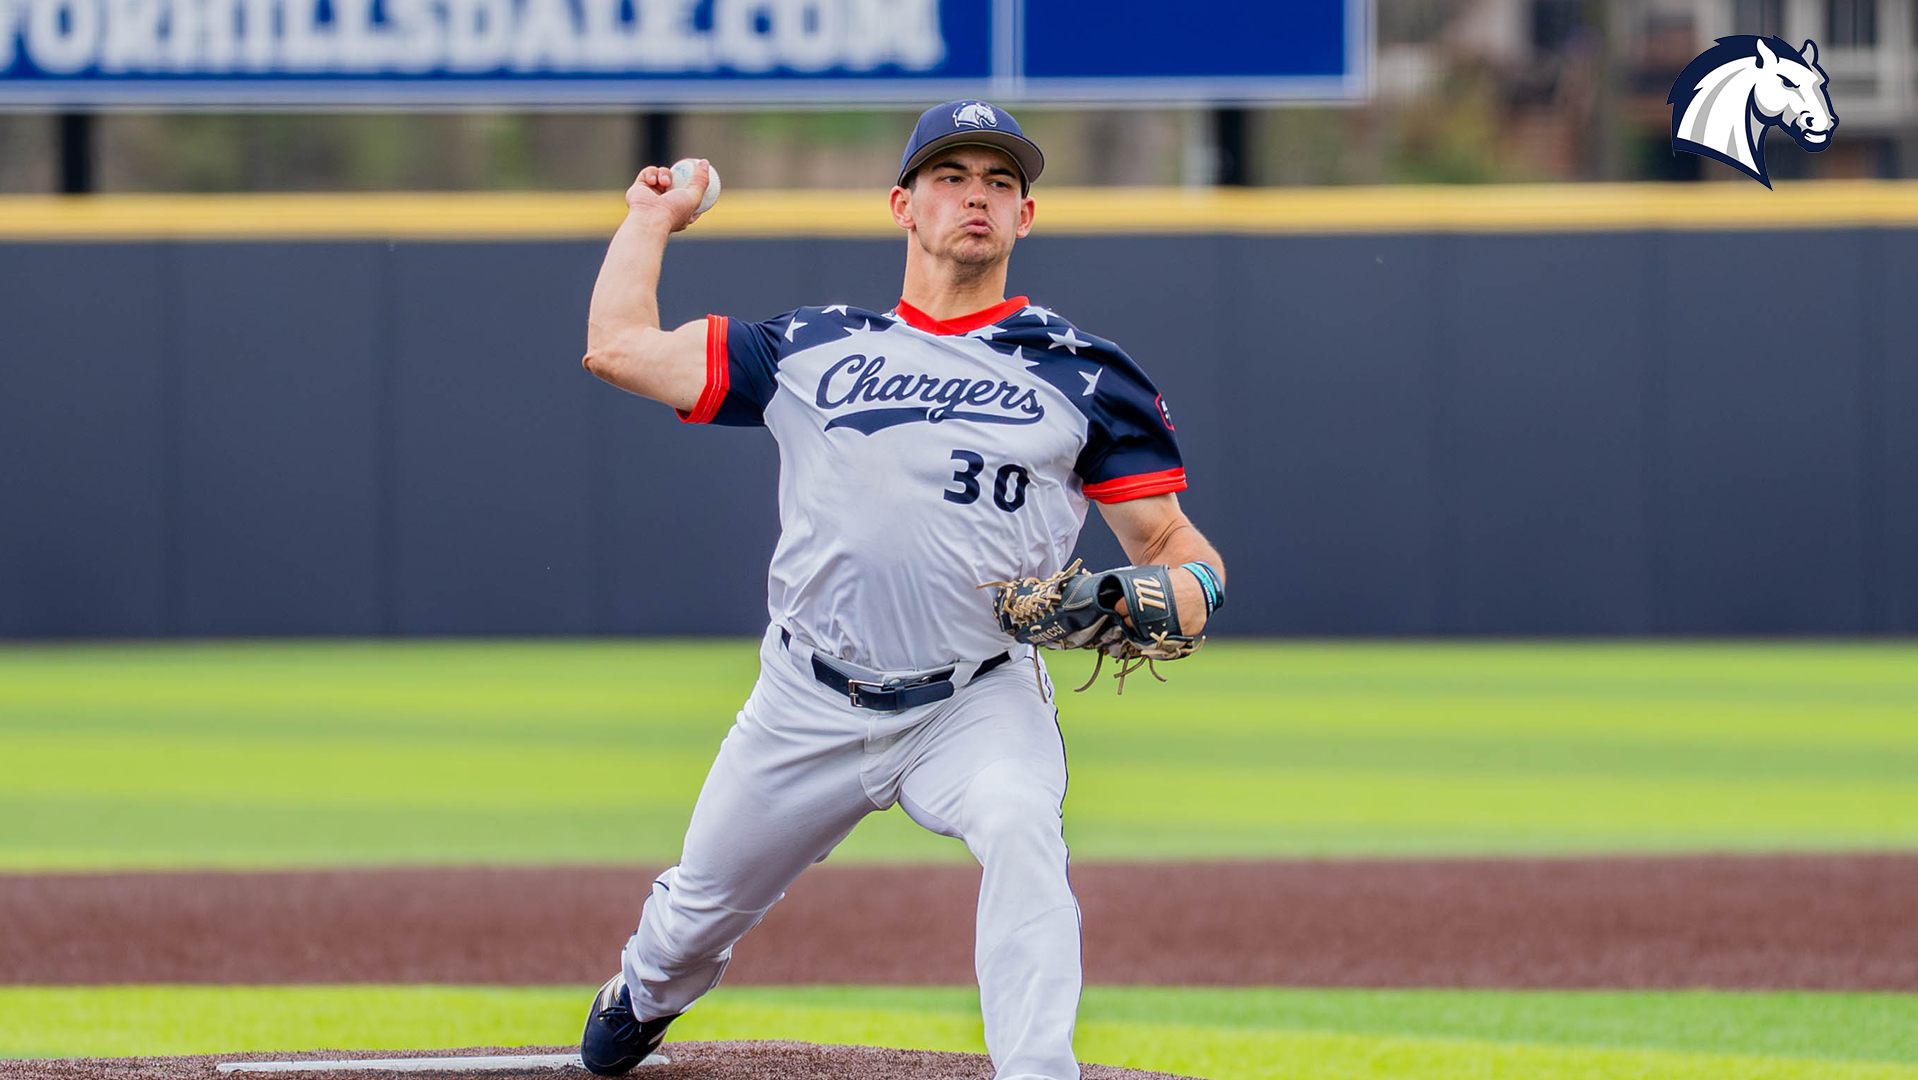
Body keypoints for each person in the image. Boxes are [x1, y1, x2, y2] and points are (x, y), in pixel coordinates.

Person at [575, 100, 1226, 1080]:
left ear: (1025, 217)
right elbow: (617, 347)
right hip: (805, 700)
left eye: (1001, 182)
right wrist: (651, 217)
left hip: (976, 697)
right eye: (952, 177)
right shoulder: (811, 348)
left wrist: (1177, 592)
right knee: (690, 926)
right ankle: (646, 990)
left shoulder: (1086, 375)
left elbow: (1178, 545)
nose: (978, 196)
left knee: (1019, 827)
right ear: (902, 204)